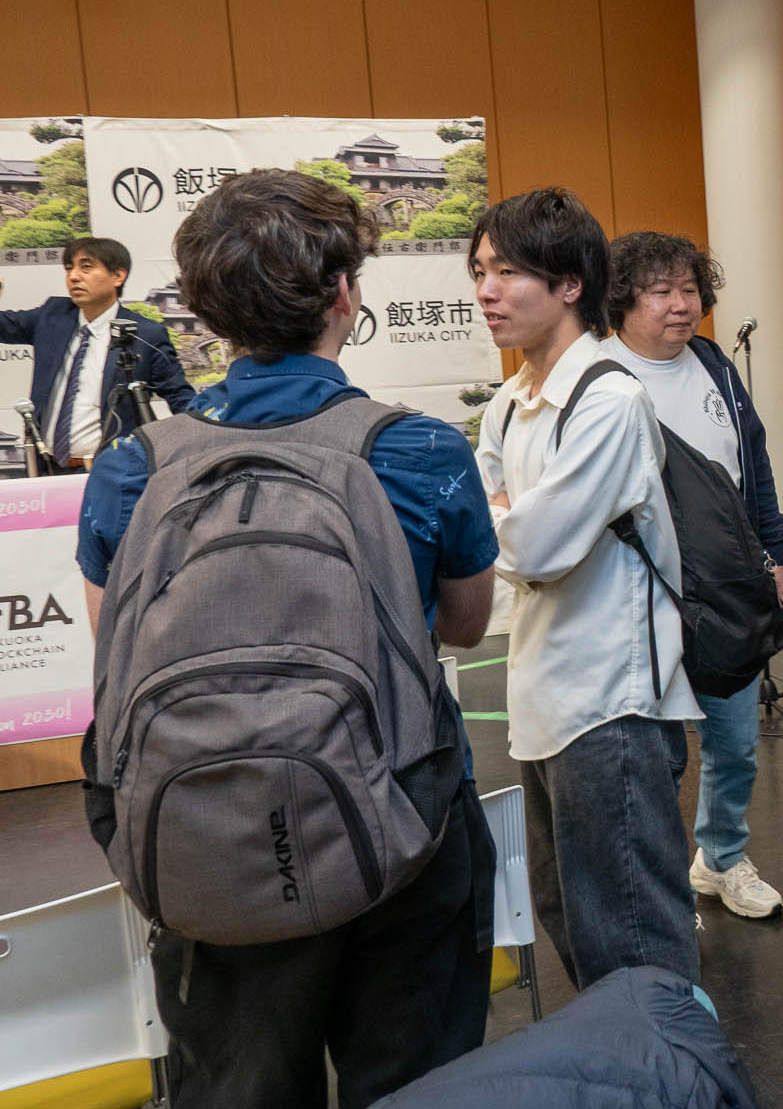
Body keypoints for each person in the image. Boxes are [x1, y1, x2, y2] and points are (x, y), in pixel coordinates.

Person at [74, 170, 497, 1107]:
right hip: (403, 819)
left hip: (203, 840)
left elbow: (115, 655)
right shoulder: (419, 450)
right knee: (418, 1086)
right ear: (344, 293)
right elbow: (468, 628)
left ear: (207, 311)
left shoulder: (132, 469)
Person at [471, 188, 701, 990]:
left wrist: (506, 521)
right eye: (480, 272)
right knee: (568, 912)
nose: (487, 291)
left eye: (508, 271)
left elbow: (534, 547)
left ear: (571, 284)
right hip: (542, 696)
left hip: (612, 700)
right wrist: (507, 521)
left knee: (631, 930)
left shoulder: (610, 399)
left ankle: (672, 1059)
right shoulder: (507, 405)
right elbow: (491, 534)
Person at [602, 230, 783, 920]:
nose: (681, 305)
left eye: (689, 290)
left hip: (729, 588)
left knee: (735, 744)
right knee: (656, 758)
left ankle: (721, 858)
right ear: (622, 300)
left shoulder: (713, 363)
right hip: (641, 595)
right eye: (661, 292)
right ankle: (658, 890)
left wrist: (776, 554)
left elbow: (754, 464)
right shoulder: (600, 378)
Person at [1, 236, 194, 471]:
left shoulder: (144, 334)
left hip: (112, 471)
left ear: (118, 276)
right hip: (48, 468)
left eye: (86, 267)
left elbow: (180, 397)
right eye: (69, 268)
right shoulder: (52, 316)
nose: (74, 276)